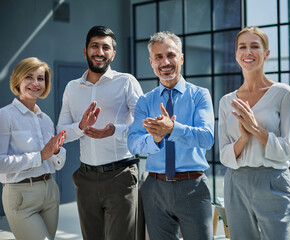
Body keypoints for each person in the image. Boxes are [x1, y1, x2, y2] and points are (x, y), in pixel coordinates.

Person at [57, 25, 143, 240]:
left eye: (106, 47)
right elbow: (61, 133)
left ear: (113, 53)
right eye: (95, 46)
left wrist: (114, 131)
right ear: (85, 50)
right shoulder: (71, 87)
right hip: (86, 177)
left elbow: (143, 126)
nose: (100, 52)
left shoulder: (126, 82)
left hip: (121, 176)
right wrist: (80, 127)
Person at [128, 31, 215, 240]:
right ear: (151, 62)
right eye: (158, 57)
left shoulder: (200, 95)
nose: (165, 62)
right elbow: (133, 143)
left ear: (181, 58)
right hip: (154, 189)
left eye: (171, 55)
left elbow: (207, 138)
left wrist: (172, 129)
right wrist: (155, 139)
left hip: (192, 187)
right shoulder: (145, 102)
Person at [218, 26, 290, 240]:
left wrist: (255, 129)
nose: (248, 52)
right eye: (242, 47)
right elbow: (225, 155)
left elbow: (286, 150)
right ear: (236, 54)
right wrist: (244, 138)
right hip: (236, 183)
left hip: (273, 181)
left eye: (255, 46)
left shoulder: (283, 93)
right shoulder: (227, 101)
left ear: (266, 54)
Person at [0, 57, 66, 240]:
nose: (36, 83)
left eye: (41, 78)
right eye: (29, 77)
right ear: (18, 80)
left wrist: (57, 151)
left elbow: (57, 164)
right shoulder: (4, 116)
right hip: (21, 196)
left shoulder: (45, 120)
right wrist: (40, 155)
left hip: (50, 191)